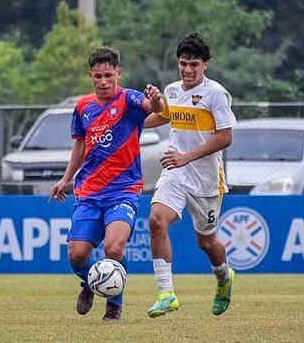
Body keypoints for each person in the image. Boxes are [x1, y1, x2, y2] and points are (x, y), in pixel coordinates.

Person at [49, 47, 164, 322]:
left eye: (108, 75)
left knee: (114, 248)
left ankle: (115, 303)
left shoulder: (129, 99)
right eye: (98, 76)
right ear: (90, 75)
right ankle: (92, 282)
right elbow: (79, 145)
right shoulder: (82, 107)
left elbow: (156, 111)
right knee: (76, 256)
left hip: (124, 190)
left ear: (118, 73)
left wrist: (158, 100)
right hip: (88, 191)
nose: (103, 82)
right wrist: (66, 179)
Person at [143, 32, 237, 317]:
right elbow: (163, 116)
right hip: (174, 171)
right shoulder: (172, 90)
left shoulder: (216, 94)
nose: (187, 69)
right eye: (183, 63)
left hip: (206, 180)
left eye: (194, 64)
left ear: (205, 64)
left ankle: (224, 278)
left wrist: (187, 157)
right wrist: (131, 124)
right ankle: (166, 293)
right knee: (156, 220)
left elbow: (225, 137)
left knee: (206, 243)